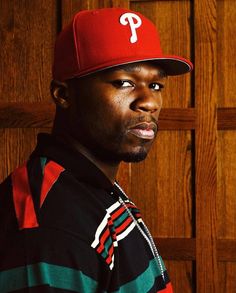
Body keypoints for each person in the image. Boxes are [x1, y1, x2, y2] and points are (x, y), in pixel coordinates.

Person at [0, 8, 192, 293]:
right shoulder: (50, 227)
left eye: (155, 85)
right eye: (124, 83)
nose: (149, 102)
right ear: (63, 94)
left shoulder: (92, 184)